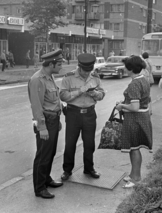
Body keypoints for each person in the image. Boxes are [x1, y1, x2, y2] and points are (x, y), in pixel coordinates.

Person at [60, 53, 105, 181]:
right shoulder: (69, 77)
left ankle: (89, 168)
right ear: (79, 67)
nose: (86, 74)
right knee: (70, 144)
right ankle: (67, 170)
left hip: (90, 113)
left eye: (89, 70)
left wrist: (94, 93)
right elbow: (62, 96)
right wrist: (80, 91)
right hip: (73, 113)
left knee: (89, 143)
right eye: (85, 71)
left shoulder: (95, 77)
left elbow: (102, 95)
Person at [28, 49, 64, 199]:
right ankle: (40, 187)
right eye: (59, 64)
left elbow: (53, 100)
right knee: (43, 155)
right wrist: (42, 127)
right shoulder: (38, 79)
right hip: (46, 122)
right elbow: (37, 107)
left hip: (53, 120)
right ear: (51, 64)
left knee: (50, 153)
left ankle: (46, 179)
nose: (61, 67)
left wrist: (58, 119)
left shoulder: (49, 76)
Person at [115, 55, 153, 188]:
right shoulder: (143, 79)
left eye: (126, 66)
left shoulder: (134, 84)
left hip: (134, 119)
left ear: (130, 69)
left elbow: (134, 107)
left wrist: (121, 106)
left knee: (134, 148)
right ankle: (133, 174)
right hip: (142, 117)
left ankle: (136, 178)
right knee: (134, 148)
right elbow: (146, 100)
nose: (124, 69)